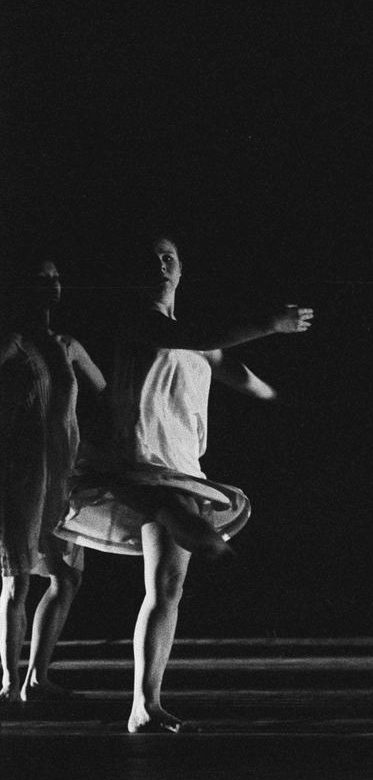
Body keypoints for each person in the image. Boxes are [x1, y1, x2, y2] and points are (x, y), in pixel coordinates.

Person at [56, 236, 312, 731]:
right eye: (150, 260)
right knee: (180, 519)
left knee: (166, 587)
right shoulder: (139, 321)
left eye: (168, 258)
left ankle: (143, 705)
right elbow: (199, 336)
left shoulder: (200, 340)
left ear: (181, 269)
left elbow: (235, 370)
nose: (160, 266)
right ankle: (224, 553)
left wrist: (283, 397)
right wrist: (267, 324)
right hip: (140, 461)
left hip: (183, 466)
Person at [1, 259, 107, 702]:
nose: (53, 285)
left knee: (66, 576)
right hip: (20, 473)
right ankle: (9, 681)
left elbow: (107, 393)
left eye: (57, 277)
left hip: (62, 473)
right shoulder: (11, 343)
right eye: (41, 278)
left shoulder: (68, 345)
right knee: (18, 576)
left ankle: (36, 679)